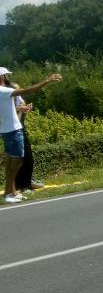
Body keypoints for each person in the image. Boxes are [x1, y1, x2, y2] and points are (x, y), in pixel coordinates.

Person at [0, 69, 62, 203]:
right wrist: (47, 80)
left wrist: (20, 110)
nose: (8, 77)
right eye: (6, 75)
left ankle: (12, 192)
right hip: (13, 130)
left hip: (5, 130)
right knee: (17, 161)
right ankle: (7, 194)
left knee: (10, 162)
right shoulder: (3, 90)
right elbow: (28, 90)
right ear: (2, 77)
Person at [12, 87, 43, 193]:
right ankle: (22, 186)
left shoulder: (17, 99)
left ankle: (26, 183)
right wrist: (19, 109)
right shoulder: (8, 100)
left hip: (20, 128)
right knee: (22, 159)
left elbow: (21, 113)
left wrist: (25, 109)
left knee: (27, 159)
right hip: (15, 130)